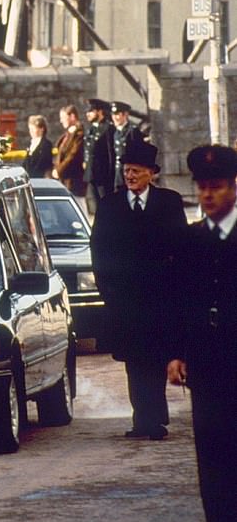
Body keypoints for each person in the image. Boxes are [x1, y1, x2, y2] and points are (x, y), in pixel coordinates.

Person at [91, 139, 186, 440]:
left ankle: (153, 419)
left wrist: (178, 289)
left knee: (156, 358)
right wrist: (108, 293)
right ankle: (143, 419)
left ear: (151, 173)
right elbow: (99, 252)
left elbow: (182, 249)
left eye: (135, 171)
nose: (130, 176)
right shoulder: (109, 206)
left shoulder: (169, 202)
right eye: (126, 171)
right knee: (134, 361)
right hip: (125, 300)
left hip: (161, 298)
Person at [167, 145, 237, 522]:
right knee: (212, 463)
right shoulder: (190, 240)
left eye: (217, 187)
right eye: (203, 187)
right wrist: (177, 352)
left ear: (233, 188)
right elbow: (179, 301)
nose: (208, 195)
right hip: (207, 368)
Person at [83, 98, 114, 213]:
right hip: (92, 174)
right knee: (96, 206)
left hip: (103, 176)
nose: (88, 114)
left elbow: (110, 154)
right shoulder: (91, 129)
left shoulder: (108, 129)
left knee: (106, 205)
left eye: (91, 111)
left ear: (100, 112)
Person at [52, 104, 86, 196]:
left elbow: (72, 155)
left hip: (74, 180)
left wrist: (59, 170)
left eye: (63, 117)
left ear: (72, 116)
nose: (61, 121)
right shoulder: (67, 135)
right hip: (65, 179)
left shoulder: (79, 134)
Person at [110, 101, 144, 191]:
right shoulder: (116, 132)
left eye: (118, 114)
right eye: (113, 115)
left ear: (125, 115)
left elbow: (140, 153)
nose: (115, 118)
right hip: (119, 175)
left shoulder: (133, 131)